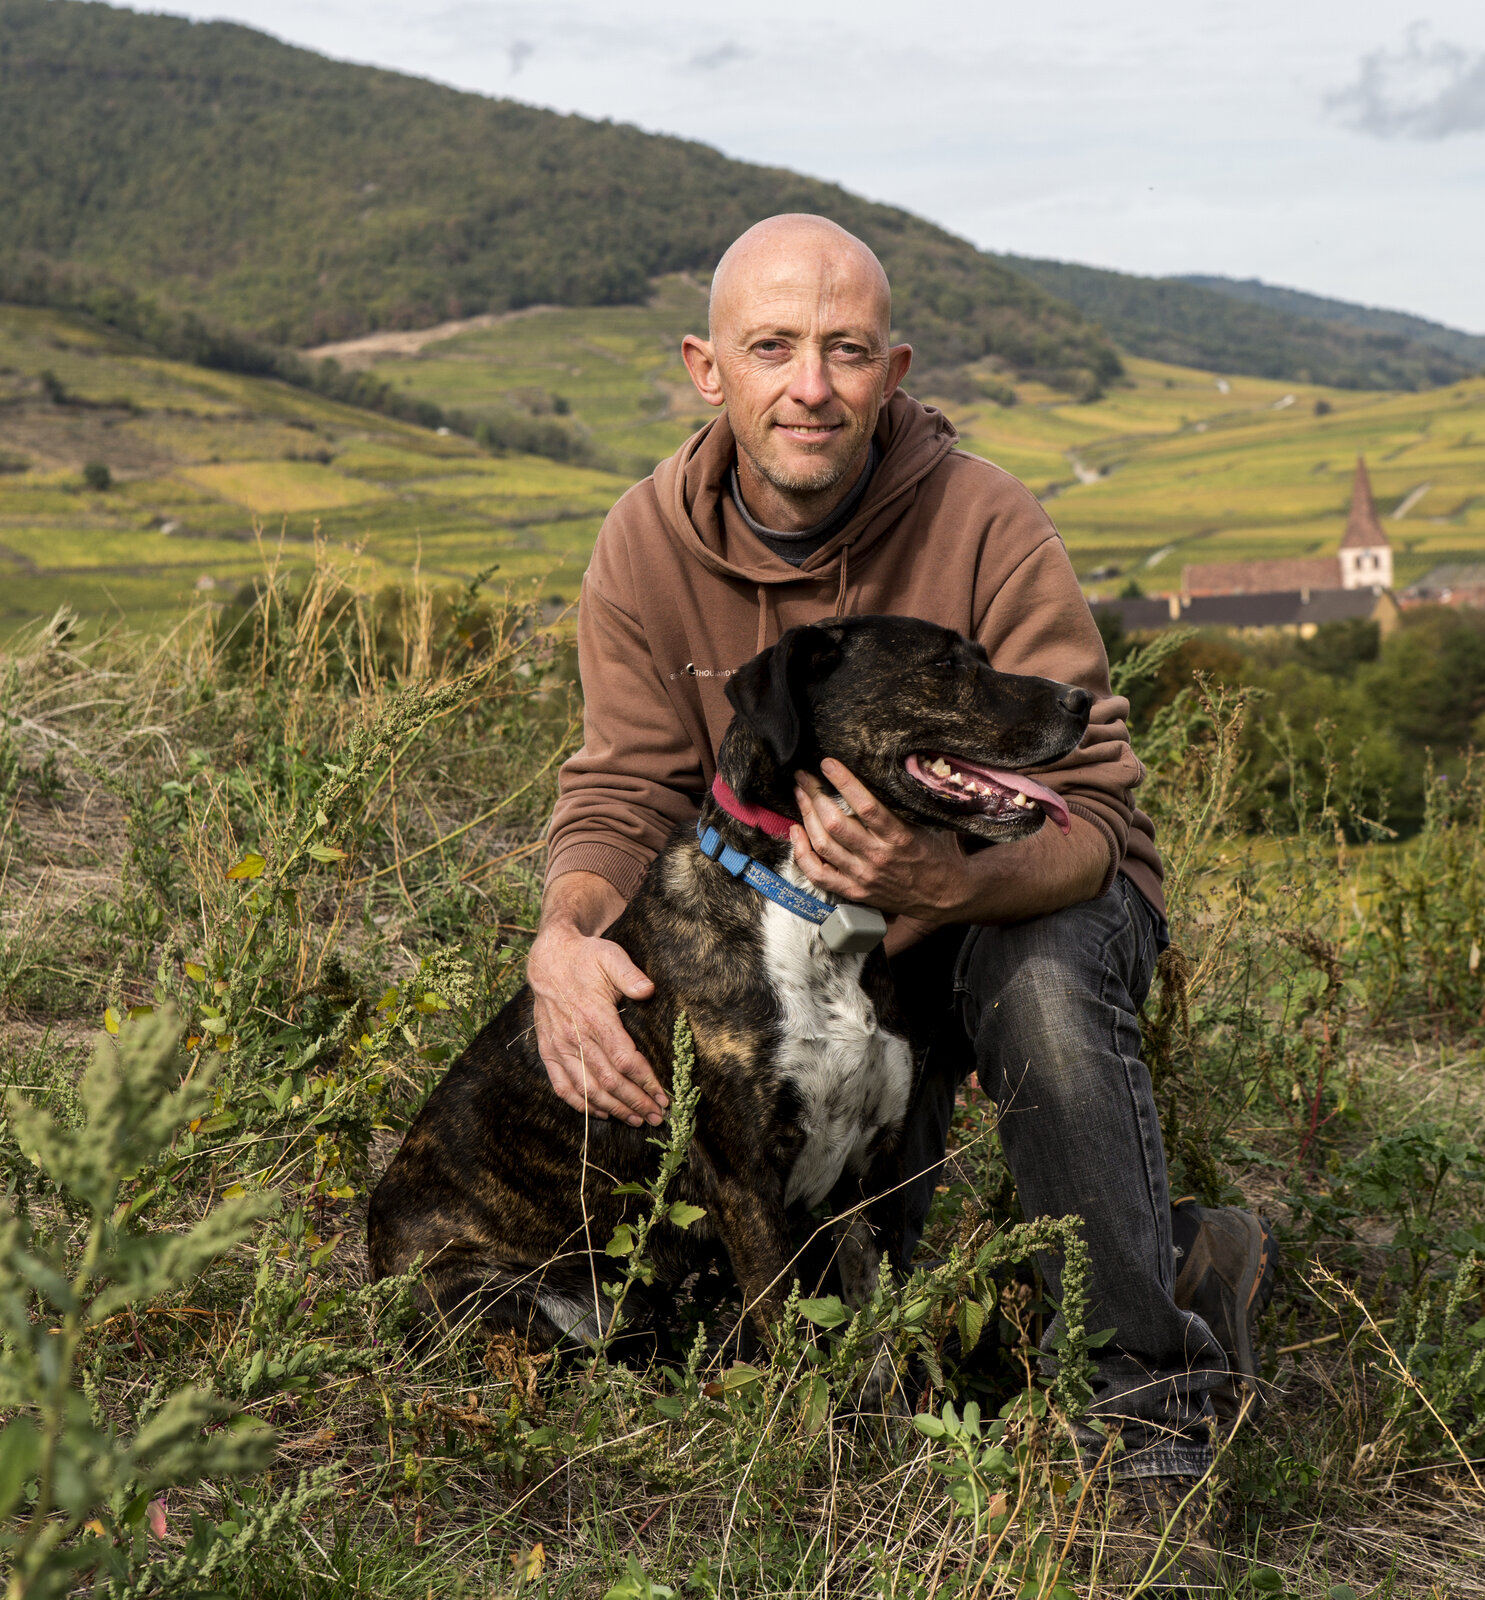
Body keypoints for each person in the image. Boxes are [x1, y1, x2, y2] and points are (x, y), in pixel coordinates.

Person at [526, 213, 1274, 1559]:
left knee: (1041, 991)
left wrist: (947, 879)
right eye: (773, 348)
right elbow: (624, 794)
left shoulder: (985, 520)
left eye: (845, 351)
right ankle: (1167, 1251)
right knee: (890, 1270)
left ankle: (1148, 1416)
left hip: (1024, 898)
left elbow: (1097, 812)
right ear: (708, 369)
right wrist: (563, 938)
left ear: (895, 367)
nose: (809, 385)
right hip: (829, 936)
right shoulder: (644, 544)